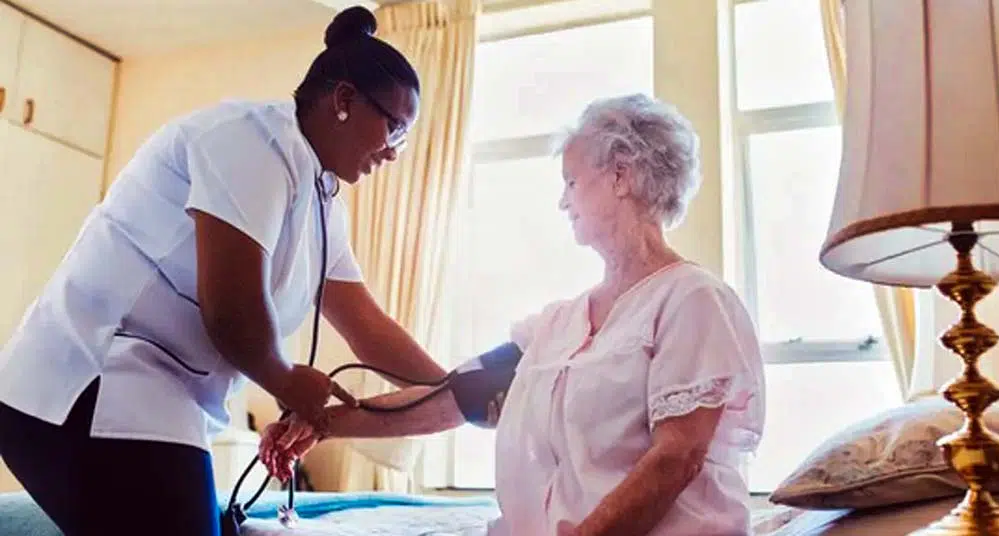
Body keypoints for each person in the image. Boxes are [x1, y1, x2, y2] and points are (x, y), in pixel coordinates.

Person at [0, 6, 448, 536]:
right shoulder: (250, 140)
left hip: (158, 396)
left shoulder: (323, 200)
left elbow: (368, 330)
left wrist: (455, 390)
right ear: (345, 100)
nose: (395, 152)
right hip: (89, 382)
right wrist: (284, 380)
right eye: (395, 127)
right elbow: (232, 313)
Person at [262, 94, 767, 535]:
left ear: (621, 174)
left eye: (571, 181)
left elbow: (675, 458)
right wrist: (322, 425)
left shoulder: (693, 299)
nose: (562, 201)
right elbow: (451, 399)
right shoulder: (557, 325)